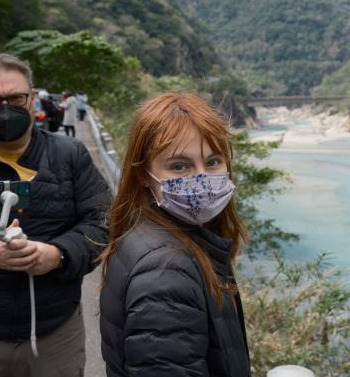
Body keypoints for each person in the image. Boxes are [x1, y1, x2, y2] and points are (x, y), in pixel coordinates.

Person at [0, 53, 112, 377]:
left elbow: (105, 223)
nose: (6, 107)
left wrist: (58, 255)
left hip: (55, 335)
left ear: (32, 97)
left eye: (15, 97)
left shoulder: (70, 156)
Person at [99, 92, 251, 377]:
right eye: (179, 166)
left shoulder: (151, 237)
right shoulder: (165, 273)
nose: (202, 179)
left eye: (213, 161)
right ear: (143, 174)